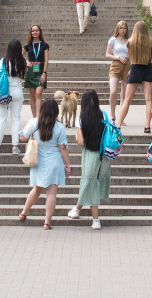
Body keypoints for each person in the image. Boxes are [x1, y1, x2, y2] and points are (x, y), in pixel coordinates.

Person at [17, 98, 72, 229]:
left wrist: (27, 124)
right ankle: (47, 222)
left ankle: (23, 213)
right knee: (51, 193)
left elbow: (22, 137)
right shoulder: (59, 126)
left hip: (39, 161)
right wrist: (68, 164)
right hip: (54, 161)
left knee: (37, 189)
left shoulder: (34, 123)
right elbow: (63, 147)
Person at [67, 89, 110, 229]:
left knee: (91, 184)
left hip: (90, 154)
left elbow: (80, 141)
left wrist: (76, 135)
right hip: (104, 156)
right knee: (93, 183)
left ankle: (96, 220)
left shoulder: (81, 118)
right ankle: (76, 209)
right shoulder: (104, 114)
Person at [115, 21, 152, 132]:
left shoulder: (130, 43)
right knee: (148, 100)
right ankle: (147, 126)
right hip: (148, 69)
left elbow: (131, 56)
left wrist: (130, 70)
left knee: (127, 100)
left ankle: (118, 124)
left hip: (135, 69)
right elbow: (151, 54)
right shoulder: (151, 42)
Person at [0, 39, 27, 155]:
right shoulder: (23, 62)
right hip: (18, 92)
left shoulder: (4, 61)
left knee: (1, 120)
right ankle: (15, 147)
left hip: (5, 93)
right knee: (16, 120)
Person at [24, 24, 50, 117]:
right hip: (31, 71)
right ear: (30, 33)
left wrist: (44, 73)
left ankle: (39, 118)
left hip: (40, 70)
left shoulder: (44, 45)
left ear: (40, 32)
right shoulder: (28, 45)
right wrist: (25, 62)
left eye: (36, 30)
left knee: (38, 93)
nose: (35, 32)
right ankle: (34, 118)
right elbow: (17, 55)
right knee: (32, 96)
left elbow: (46, 60)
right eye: (33, 31)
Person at [105, 21, 130, 118]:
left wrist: (131, 68)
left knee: (124, 94)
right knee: (113, 92)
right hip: (116, 64)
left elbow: (132, 55)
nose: (122, 30)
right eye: (121, 28)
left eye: (124, 28)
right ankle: (112, 115)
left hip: (127, 65)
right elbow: (107, 54)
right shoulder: (113, 40)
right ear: (118, 29)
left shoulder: (129, 40)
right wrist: (118, 58)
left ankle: (121, 117)